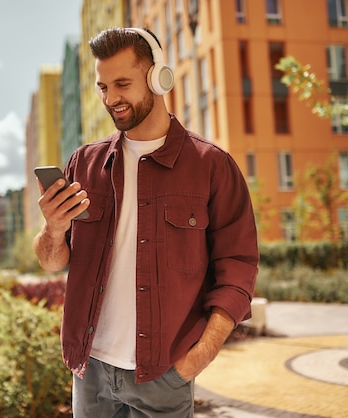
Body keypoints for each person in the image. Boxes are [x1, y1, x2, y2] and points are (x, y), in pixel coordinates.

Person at [34, 27, 259, 417]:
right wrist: (52, 229)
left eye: (122, 83)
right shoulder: (83, 164)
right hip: (90, 372)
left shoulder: (211, 167)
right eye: (103, 87)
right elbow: (53, 262)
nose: (111, 98)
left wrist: (197, 357)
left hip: (163, 374)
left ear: (158, 77)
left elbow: (238, 270)